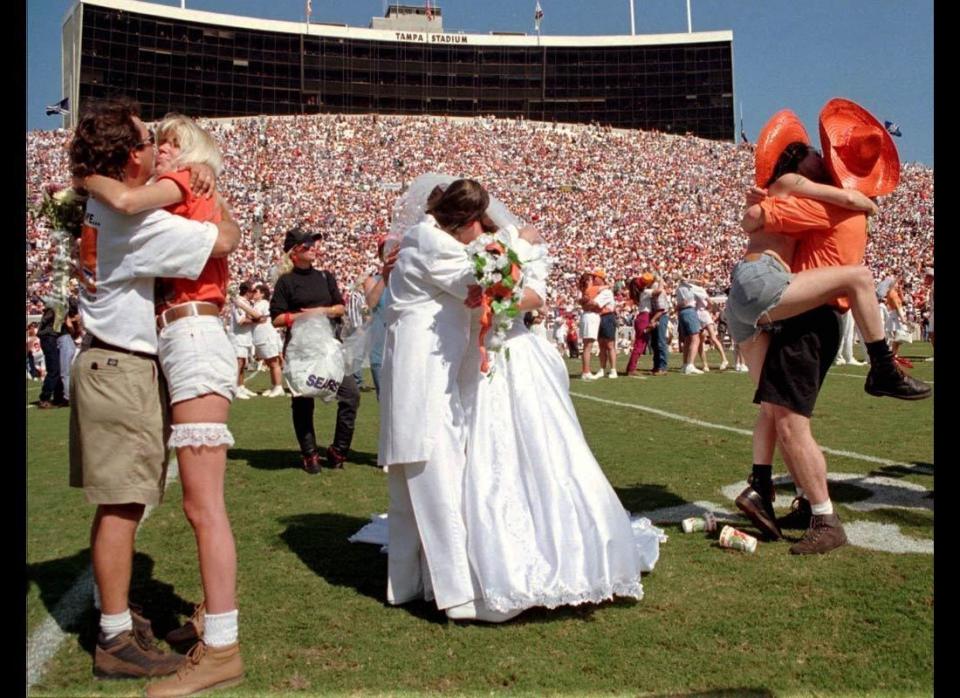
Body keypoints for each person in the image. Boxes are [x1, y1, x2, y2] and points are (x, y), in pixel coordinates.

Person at [68, 98, 240, 681]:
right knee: (123, 503)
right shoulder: (131, 216)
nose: (155, 150)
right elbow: (221, 242)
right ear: (126, 156)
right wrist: (203, 189)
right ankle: (116, 635)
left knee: (134, 499)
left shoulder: (103, 201)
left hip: (120, 360)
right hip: (122, 364)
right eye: (146, 142)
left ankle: (120, 620)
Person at [731, 100, 929, 554]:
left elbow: (762, 216)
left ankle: (823, 517)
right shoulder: (846, 208)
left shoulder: (821, 207)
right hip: (815, 315)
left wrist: (762, 204)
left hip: (808, 319)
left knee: (788, 421)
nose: (818, 158)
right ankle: (794, 498)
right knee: (778, 411)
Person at [456, 198, 660, 622]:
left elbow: (536, 295)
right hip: (479, 357)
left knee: (546, 445)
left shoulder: (516, 249)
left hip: (516, 351)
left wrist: (504, 304)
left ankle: (566, 541)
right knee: (483, 450)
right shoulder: (467, 254)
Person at [378, 177, 493, 619]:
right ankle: (456, 592)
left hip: (416, 365)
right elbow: (473, 282)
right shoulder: (431, 241)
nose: (479, 235)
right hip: (423, 369)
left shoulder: (421, 236)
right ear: (462, 222)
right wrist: (512, 250)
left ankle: (406, 584)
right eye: (476, 226)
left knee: (408, 487)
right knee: (435, 475)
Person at [269, 227, 360, 474]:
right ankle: (309, 454)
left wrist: (322, 312)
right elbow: (276, 319)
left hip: (329, 347)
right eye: (306, 246)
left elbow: (340, 308)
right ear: (293, 253)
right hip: (301, 350)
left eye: (313, 245)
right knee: (303, 401)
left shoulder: (325, 277)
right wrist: (302, 317)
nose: (313, 249)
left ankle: (339, 449)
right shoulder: (286, 282)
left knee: (350, 394)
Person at [361, 236, 394, 400]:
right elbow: (372, 302)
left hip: (402, 347)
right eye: (385, 250)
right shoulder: (371, 280)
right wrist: (385, 275)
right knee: (384, 402)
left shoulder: (409, 279)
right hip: (380, 349)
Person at [251, 283, 285, 397]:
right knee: (269, 362)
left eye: (256, 291)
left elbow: (259, 317)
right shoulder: (257, 304)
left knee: (274, 362)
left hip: (267, 336)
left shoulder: (264, 304)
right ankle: (275, 386)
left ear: (262, 294)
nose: (253, 293)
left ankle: (279, 386)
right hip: (261, 336)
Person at [229, 282, 258, 399]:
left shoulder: (245, 302)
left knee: (242, 362)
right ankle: (235, 388)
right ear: (247, 292)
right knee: (239, 363)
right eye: (252, 291)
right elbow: (240, 321)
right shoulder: (238, 302)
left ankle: (241, 387)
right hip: (237, 337)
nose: (253, 294)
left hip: (244, 337)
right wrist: (257, 320)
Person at [624, 273, 654, 376]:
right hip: (644, 318)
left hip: (641, 317)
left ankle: (630, 367)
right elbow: (659, 291)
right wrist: (661, 279)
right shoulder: (645, 292)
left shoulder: (640, 293)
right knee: (640, 345)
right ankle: (632, 369)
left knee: (639, 344)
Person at [37, 304, 66, 408]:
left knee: (58, 369)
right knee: (53, 369)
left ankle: (58, 397)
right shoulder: (56, 307)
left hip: (52, 338)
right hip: (48, 338)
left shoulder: (59, 307)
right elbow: (45, 321)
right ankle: (44, 398)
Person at [577, 273, 602, 380]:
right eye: (591, 279)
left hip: (591, 317)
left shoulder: (588, 291)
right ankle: (586, 371)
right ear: (587, 281)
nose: (592, 281)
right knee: (588, 346)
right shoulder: (585, 292)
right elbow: (589, 305)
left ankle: (586, 370)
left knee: (588, 345)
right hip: (589, 317)